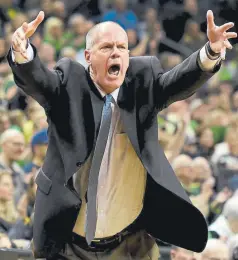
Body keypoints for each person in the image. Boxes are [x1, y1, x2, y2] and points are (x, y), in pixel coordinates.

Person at [7, 9, 237, 260]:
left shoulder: (143, 82)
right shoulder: (69, 84)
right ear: (88, 56)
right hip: (68, 241)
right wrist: (23, 53)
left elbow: (178, 81)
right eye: (106, 47)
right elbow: (39, 81)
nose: (116, 52)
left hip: (130, 242)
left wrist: (211, 51)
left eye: (122, 47)